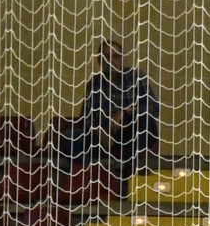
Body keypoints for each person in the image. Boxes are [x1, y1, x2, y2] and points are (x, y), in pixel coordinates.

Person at [60, 40, 160, 171]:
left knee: (144, 117)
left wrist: (125, 111)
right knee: (68, 137)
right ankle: (91, 171)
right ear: (99, 61)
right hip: (104, 134)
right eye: (106, 57)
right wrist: (97, 131)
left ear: (122, 59)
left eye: (116, 56)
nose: (111, 61)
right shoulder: (95, 82)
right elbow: (86, 117)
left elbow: (154, 109)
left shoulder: (136, 77)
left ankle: (128, 170)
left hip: (131, 131)